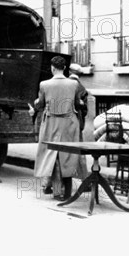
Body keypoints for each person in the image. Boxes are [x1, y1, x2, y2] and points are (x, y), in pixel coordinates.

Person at [30, 56, 88, 201]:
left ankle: (56, 191)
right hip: (69, 122)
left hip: (51, 122)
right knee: (67, 155)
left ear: (52, 68)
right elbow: (77, 103)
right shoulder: (73, 84)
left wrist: (35, 105)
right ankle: (66, 192)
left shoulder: (44, 84)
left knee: (53, 155)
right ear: (65, 68)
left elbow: (40, 103)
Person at [68, 63, 88, 140]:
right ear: (80, 75)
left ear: (69, 72)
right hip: (77, 120)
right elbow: (85, 111)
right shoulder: (82, 88)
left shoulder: (63, 84)